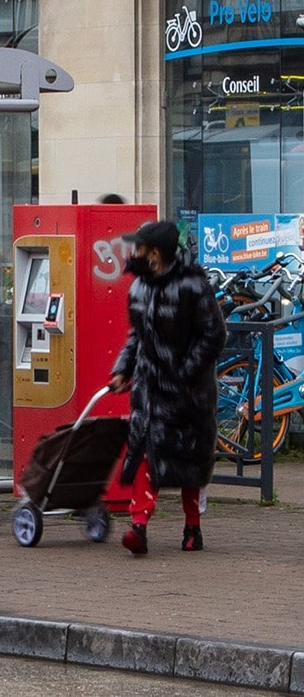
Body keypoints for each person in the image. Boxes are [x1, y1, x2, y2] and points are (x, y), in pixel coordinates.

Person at [107, 220, 226, 554]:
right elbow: (136, 337)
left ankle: (192, 527)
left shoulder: (193, 286)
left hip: (189, 394)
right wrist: (123, 370)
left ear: (155, 253)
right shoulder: (139, 288)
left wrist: (186, 373)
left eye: (140, 247)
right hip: (150, 390)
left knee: (190, 460)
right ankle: (138, 526)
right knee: (146, 453)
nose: (133, 253)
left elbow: (213, 334)